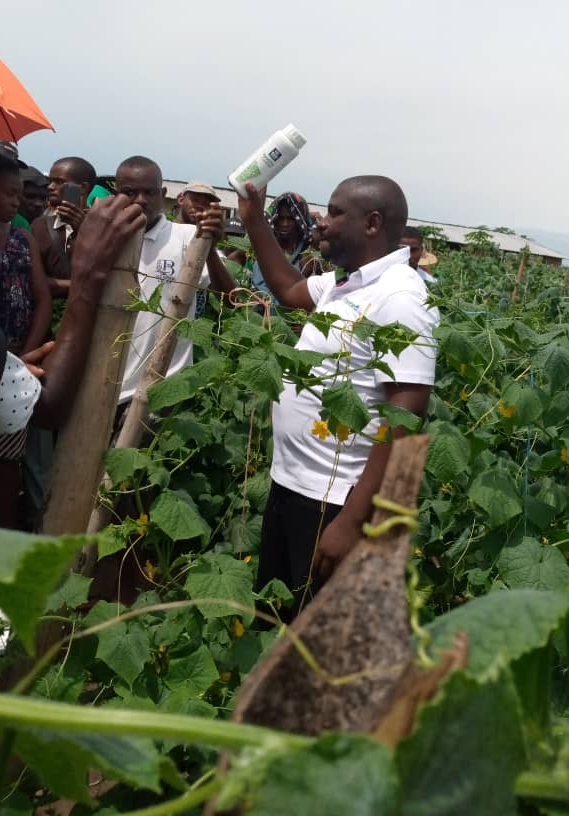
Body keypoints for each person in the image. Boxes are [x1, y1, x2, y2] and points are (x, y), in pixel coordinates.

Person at [237, 175, 439, 617]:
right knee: (277, 625)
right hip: (292, 484)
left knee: (317, 645)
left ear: (371, 223)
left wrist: (353, 522)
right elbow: (289, 288)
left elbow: (403, 424)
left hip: (334, 502)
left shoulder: (401, 297)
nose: (321, 223)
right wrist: (254, 221)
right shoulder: (344, 285)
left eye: (333, 213)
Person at [0, 148, 144, 521]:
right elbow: (47, 406)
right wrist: (89, 274)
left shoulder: (15, 241)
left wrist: (7, 362)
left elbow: (37, 294)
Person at [0, 154, 52, 526]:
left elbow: (42, 296)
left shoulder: (21, 237)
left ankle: (3, 534)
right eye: (9, 193)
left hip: (17, 360)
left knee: (6, 459)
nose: (17, 201)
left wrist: (27, 351)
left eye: (19, 194)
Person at [115, 156, 237, 405]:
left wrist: (209, 248)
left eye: (149, 192)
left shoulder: (186, 237)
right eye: (129, 192)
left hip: (164, 391)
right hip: (108, 387)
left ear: (162, 194)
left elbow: (230, 298)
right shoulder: (108, 238)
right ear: (116, 194)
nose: (140, 199)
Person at [30, 156, 98, 296]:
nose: (50, 187)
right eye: (50, 181)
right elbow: (34, 279)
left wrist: (84, 230)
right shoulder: (40, 226)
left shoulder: (103, 226)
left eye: (59, 182)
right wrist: (81, 286)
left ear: (83, 188)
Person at [250, 192, 314, 304]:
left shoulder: (309, 256)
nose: (284, 223)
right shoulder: (261, 248)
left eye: (290, 219)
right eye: (281, 218)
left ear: (300, 220)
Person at [13, 165, 49, 230]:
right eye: (30, 197)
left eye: (43, 198)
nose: (38, 204)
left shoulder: (52, 229)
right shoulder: (3, 227)